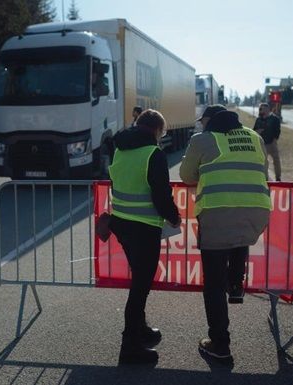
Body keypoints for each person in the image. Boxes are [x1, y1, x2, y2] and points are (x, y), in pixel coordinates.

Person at [179, 108, 270, 362]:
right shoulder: (254, 137)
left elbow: (186, 176)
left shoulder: (203, 139)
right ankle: (236, 284)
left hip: (218, 212)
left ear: (209, 121)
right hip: (257, 210)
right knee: (240, 237)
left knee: (213, 284)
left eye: (203, 121)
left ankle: (219, 343)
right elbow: (262, 169)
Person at [108, 109, 181, 365]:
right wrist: (174, 217)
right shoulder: (154, 154)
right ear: (158, 131)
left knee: (139, 282)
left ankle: (141, 330)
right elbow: (161, 194)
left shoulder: (119, 149)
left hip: (121, 223)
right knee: (140, 289)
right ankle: (130, 348)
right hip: (144, 228)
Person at [253, 102, 282, 181]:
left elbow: (278, 131)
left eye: (263, 109)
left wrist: (275, 140)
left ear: (268, 109)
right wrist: (258, 131)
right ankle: (265, 178)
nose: (261, 110)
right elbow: (254, 130)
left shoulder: (275, 119)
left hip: (272, 144)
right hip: (262, 144)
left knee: (276, 161)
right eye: (260, 109)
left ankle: (278, 177)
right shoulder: (258, 120)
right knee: (264, 162)